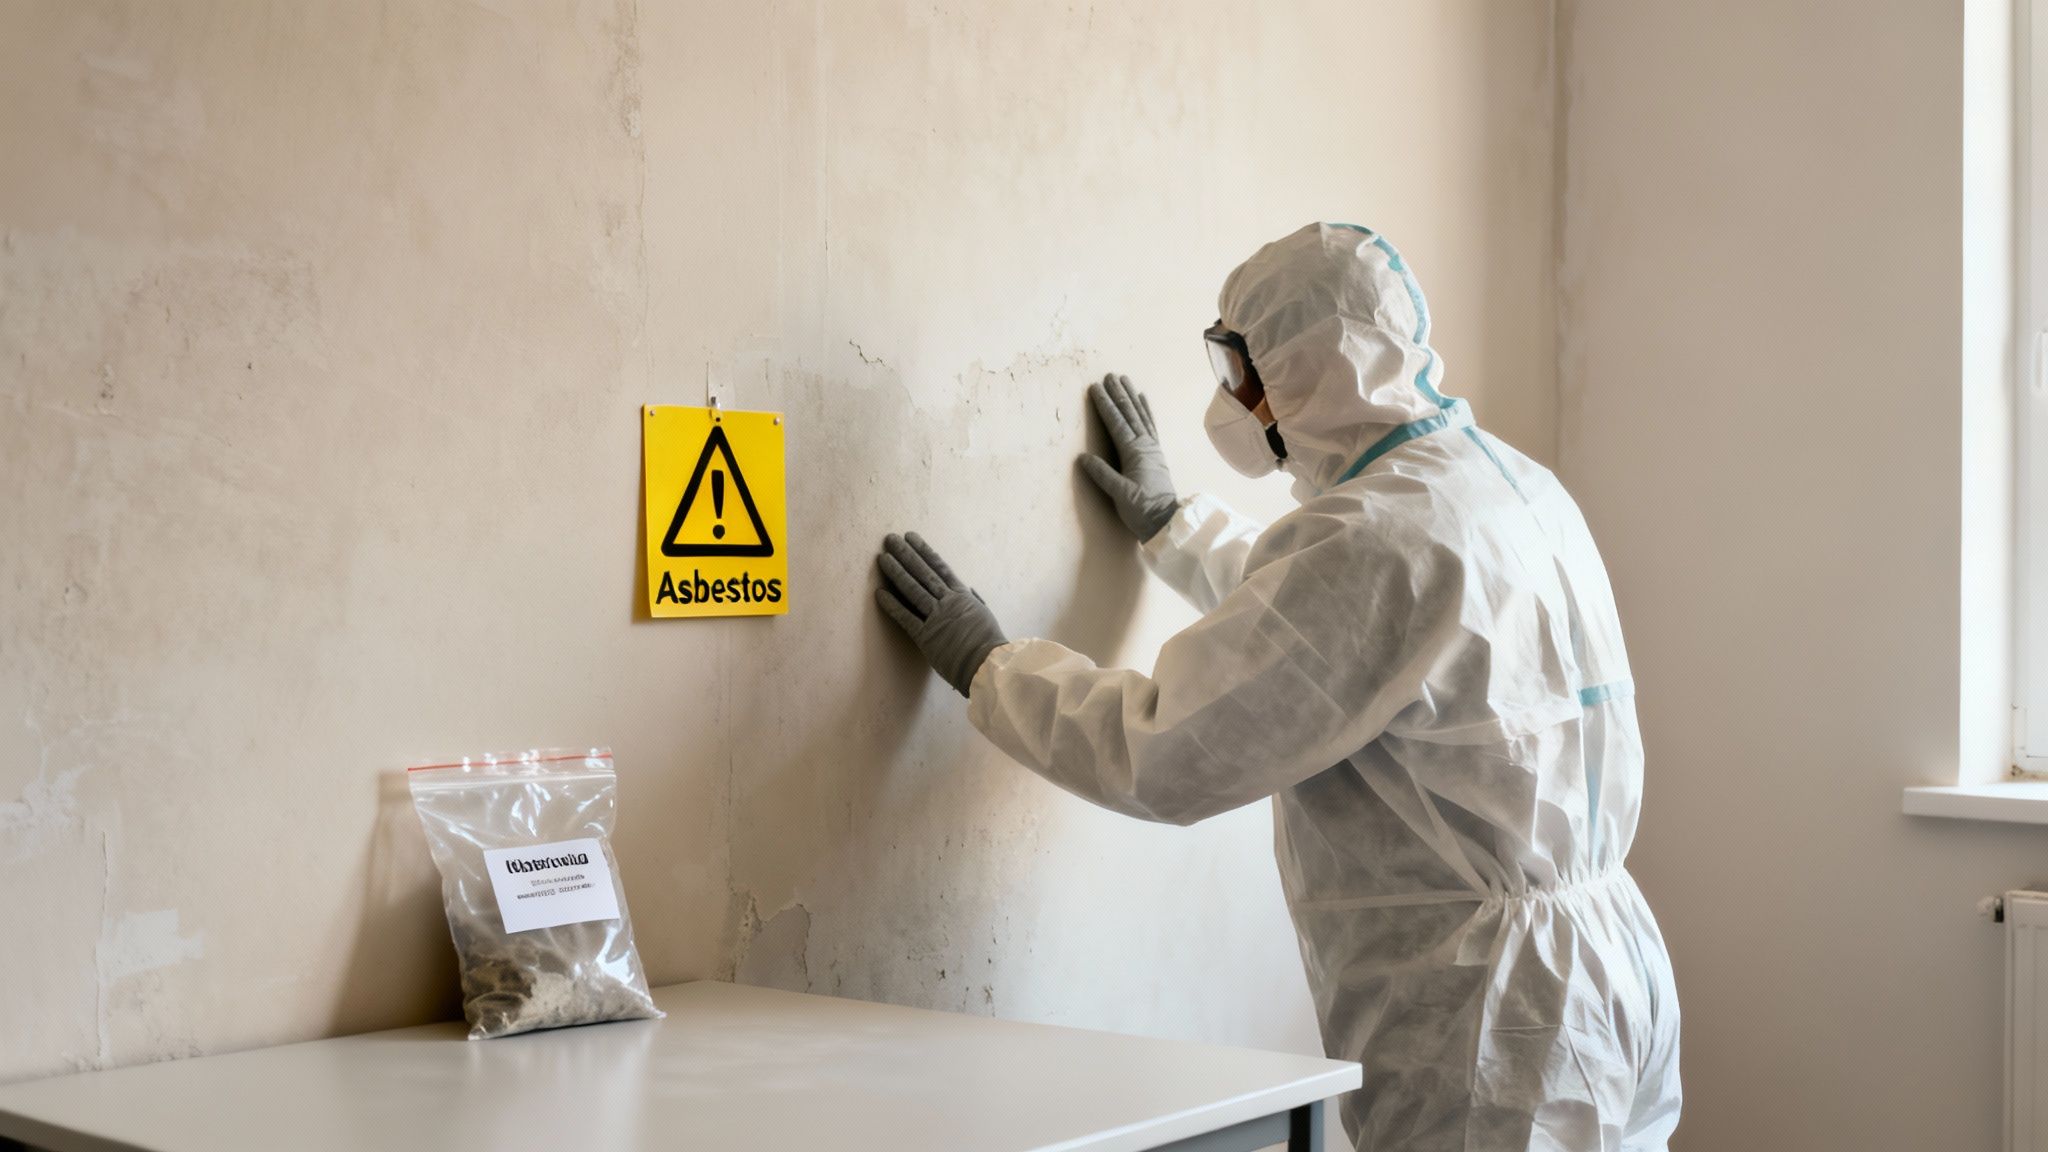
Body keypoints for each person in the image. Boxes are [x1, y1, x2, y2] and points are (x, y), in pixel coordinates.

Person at [874, 222, 1681, 1151]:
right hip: (1609, 965)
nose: (1234, 398)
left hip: (1493, 1024)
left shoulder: (1379, 539)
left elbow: (1164, 750)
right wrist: (1176, 527)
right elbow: (1341, 646)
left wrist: (990, 663)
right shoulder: (1504, 486)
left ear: (1313, 367)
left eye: (1241, 368)